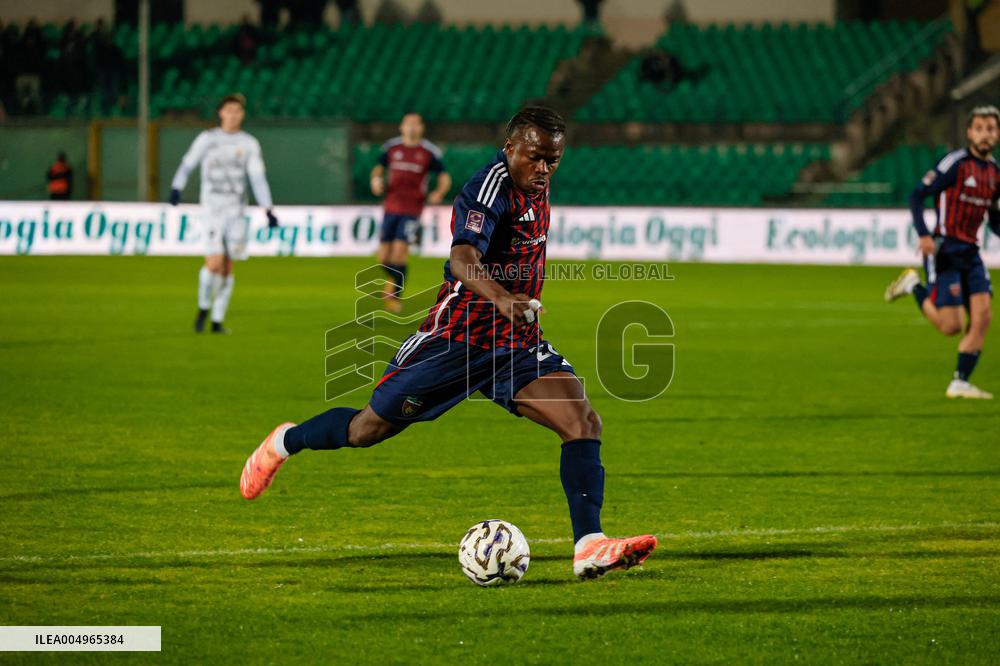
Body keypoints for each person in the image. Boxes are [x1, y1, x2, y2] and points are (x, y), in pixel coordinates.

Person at [240, 107, 657, 580]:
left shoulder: (534, 182)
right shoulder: (488, 188)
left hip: (513, 343)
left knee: (582, 421)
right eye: (536, 157)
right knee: (367, 429)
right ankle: (283, 442)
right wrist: (502, 298)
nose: (543, 169)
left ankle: (589, 545)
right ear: (510, 148)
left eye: (553, 160)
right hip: (455, 341)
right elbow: (461, 259)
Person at [885, 105, 1000, 399]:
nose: (985, 135)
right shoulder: (956, 164)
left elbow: (995, 220)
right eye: (980, 128)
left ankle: (960, 381)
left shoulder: (995, 173)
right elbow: (916, 195)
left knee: (983, 315)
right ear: (969, 133)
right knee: (951, 326)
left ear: (997, 134)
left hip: (971, 252)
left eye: (991, 129)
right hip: (945, 250)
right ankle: (913, 286)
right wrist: (924, 235)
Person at [169, 93, 278, 334]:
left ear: (242, 114)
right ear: (221, 113)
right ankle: (203, 308)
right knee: (214, 263)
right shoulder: (208, 139)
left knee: (228, 267)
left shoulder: (249, 143)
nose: (233, 114)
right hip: (211, 210)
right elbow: (188, 163)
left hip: (236, 212)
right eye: (229, 110)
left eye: (238, 111)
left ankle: (217, 321)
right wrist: (177, 187)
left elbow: (257, 178)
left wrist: (268, 208)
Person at [369, 113, 451, 313]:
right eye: (408, 124)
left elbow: (444, 176)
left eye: (416, 124)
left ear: (421, 128)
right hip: (390, 207)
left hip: (412, 209)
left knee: (399, 251)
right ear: (401, 127)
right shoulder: (392, 148)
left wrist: (438, 193)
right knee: (383, 257)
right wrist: (375, 182)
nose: (412, 127)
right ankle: (393, 282)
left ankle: (394, 296)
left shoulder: (428, 152)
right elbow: (378, 170)